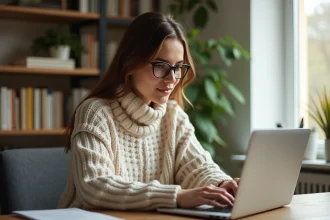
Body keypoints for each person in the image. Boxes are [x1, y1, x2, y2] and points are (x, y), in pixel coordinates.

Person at [58, 12, 239, 211]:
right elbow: (95, 186)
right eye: (161, 66)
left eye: (178, 67)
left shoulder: (173, 116)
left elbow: (198, 167)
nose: (172, 79)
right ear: (130, 64)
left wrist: (222, 185)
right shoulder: (95, 113)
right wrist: (176, 195)